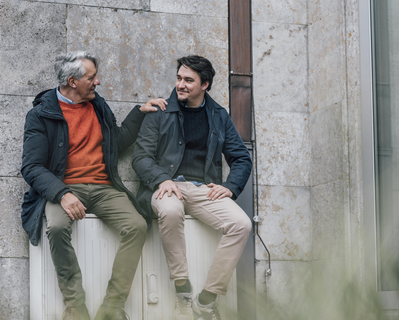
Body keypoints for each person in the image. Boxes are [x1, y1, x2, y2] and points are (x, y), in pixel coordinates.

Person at [21, 51, 166, 320]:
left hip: (103, 187)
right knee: (56, 226)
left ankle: (112, 308)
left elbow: (116, 143)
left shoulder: (97, 105)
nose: (97, 82)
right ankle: (75, 308)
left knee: (136, 226)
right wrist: (62, 193)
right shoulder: (41, 114)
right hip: (63, 188)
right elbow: (32, 167)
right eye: (92, 77)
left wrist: (139, 113)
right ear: (73, 81)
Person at [132, 55, 252, 320]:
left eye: (188, 80)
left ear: (205, 84)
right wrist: (162, 179)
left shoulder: (219, 115)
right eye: (179, 78)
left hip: (203, 189)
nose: (180, 85)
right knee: (171, 210)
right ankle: (182, 289)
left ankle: (207, 299)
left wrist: (230, 187)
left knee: (241, 225)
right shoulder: (160, 111)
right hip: (165, 185)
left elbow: (241, 158)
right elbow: (140, 157)